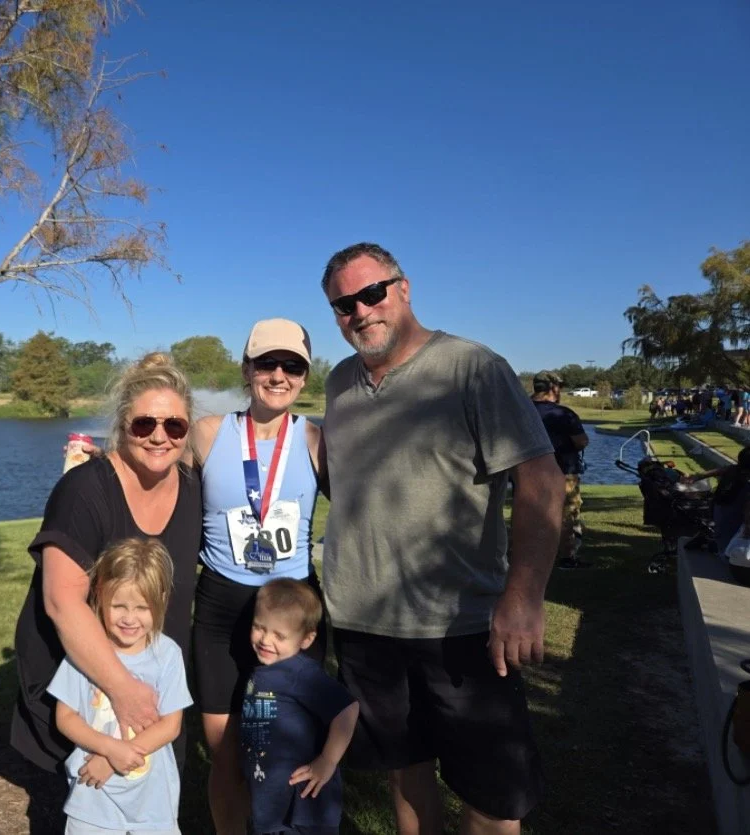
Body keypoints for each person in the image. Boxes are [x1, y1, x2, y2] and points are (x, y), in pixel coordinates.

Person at [318, 242, 564, 835]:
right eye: (344, 304)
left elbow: (541, 481)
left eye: (371, 293)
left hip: (459, 627)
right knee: (405, 772)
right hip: (364, 625)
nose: (360, 311)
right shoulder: (339, 383)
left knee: (493, 798)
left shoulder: (471, 368)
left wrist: (523, 597)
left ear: (403, 289)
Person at [11, 354, 202, 791]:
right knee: (89, 804)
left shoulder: (193, 488)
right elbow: (61, 602)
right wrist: (123, 689)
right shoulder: (83, 490)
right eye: (144, 424)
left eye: (175, 426)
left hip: (154, 689)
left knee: (154, 798)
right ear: (122, 424)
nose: (159, 436)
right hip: (87, 684)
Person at [191, 318, 328, 835]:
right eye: (267, 363)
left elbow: (371, 503)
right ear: (247, 368)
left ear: (305, 376)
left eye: (292, 366)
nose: (279, 375)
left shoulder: (315, 439)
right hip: (221, 609)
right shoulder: (208, 433)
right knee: (225, 752)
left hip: (291, 611)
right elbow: (153, 478)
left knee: (287, 749)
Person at [49, 537, 193, 834]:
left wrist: (114, 759)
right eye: (118, 606)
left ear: (161, 599)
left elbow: (171, 725)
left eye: (142, 607)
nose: (129, 618)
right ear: (100, 594)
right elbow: (65, 717)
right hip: (92, 792)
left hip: (152, 802)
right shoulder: (85, 653)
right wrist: (109, 750)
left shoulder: (167, 654)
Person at [240, 579, 359, 835]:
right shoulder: (263, 670)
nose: (265, 640)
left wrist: (327, 761)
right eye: (259, 627)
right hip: (272, 799)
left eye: (279, 635)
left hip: (304, 803)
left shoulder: (301, 674)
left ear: (307, 639)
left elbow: (347, 709)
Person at [530, 371, 591, 569]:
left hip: (528, 473)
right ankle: (567, 557)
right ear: (553, 388)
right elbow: (581, 441)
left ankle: (528, 557)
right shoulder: (563, 414)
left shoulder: (520, 411)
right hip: (563, 470)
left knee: (530, 512)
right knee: (568, 512)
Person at [683, 447, 750, 553]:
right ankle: (709, 544)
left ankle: (709, 541)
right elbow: (747, 514)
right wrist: (747, 530)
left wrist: (697, 477)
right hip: (731, 529)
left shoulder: (733, 470)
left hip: (718, 514)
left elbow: (718, 471)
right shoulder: (746, 484)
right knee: (729, 552)